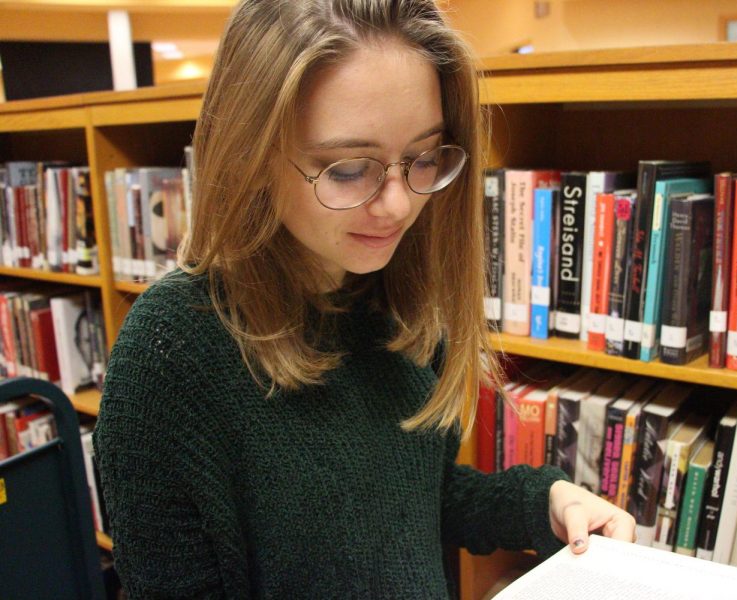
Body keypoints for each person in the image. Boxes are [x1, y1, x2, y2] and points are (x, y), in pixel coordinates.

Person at [93, 0, 636, 597]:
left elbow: (407, 498)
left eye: (424, 158)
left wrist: (545, 499)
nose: (399, 205)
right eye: (350, 169)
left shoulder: (399, 296)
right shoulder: (172, 352)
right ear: (251, 156)